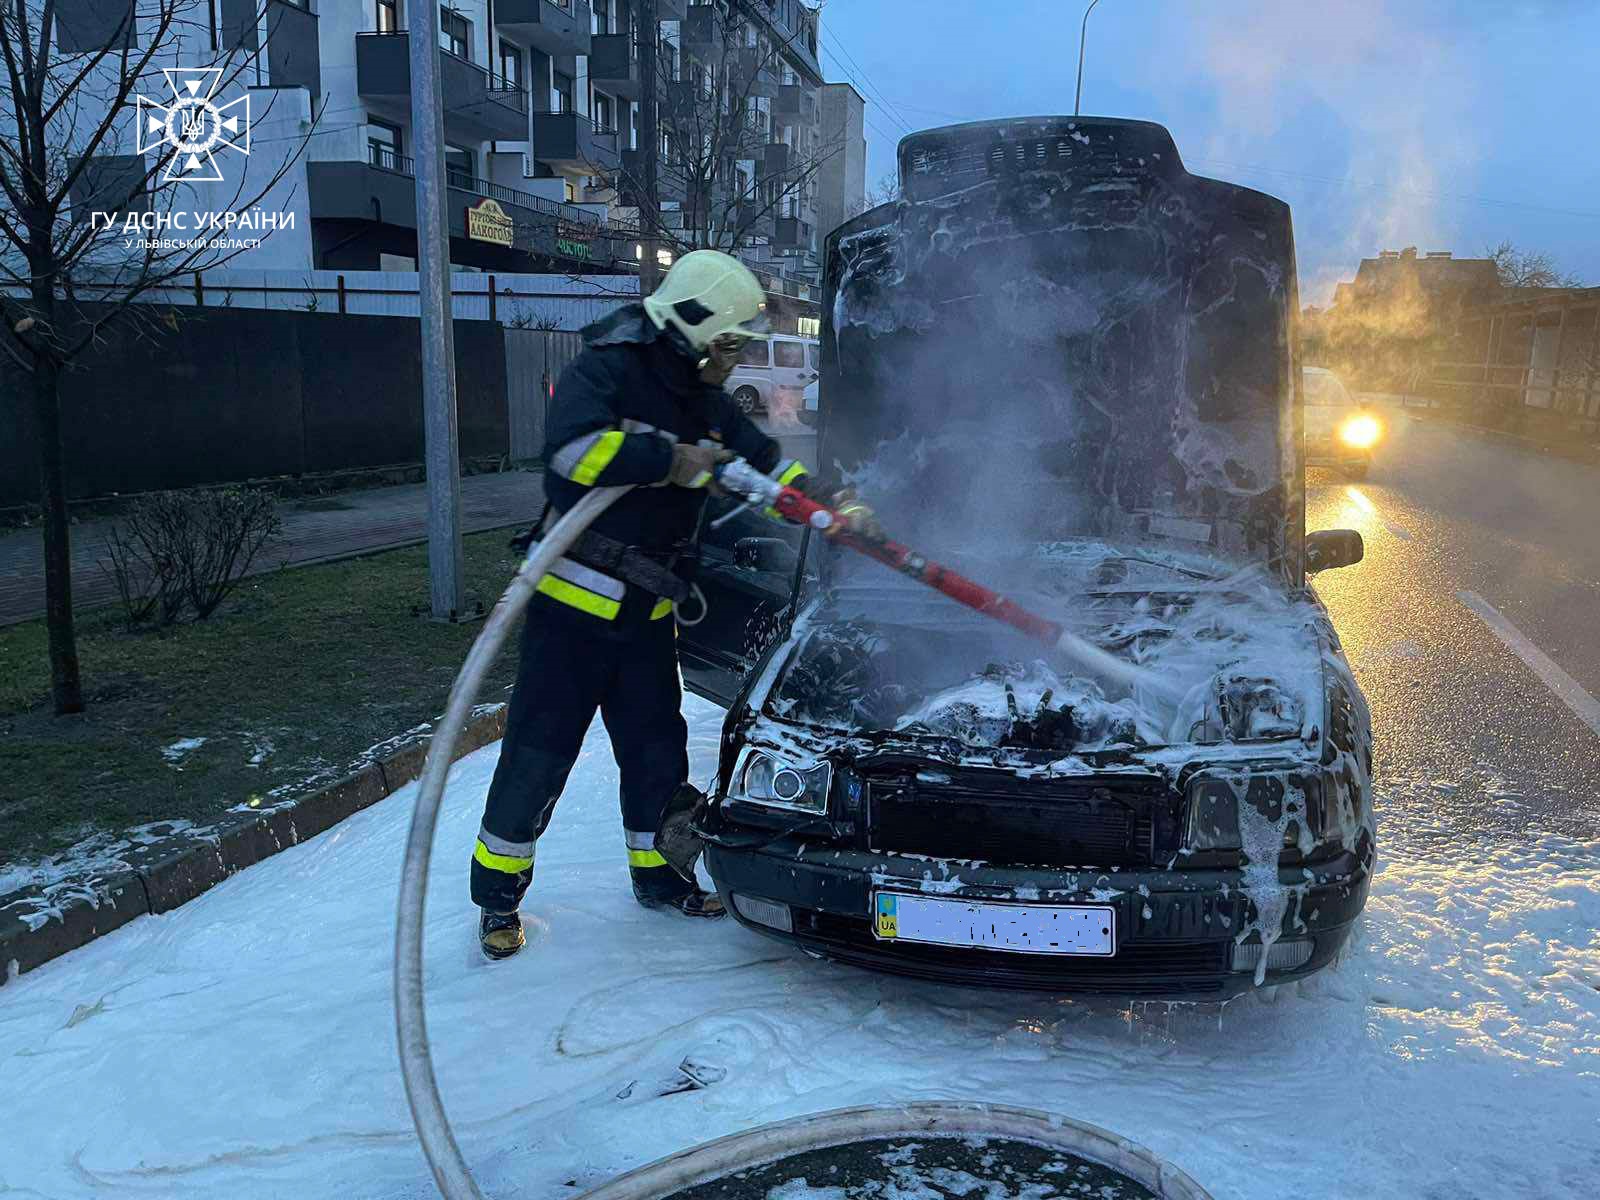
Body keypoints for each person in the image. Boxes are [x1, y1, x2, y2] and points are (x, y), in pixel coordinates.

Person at [472, 251, 858, 961]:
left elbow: (764, 461)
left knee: (656, 756)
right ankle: (498, 897)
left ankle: (660, 877)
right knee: (538, 756)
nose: (736, 358)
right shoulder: (608, 370)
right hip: (571, 614)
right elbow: (571, 454)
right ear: (696, 327)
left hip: (647, 618)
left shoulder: (701, 399)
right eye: (731, 342)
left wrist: (822, 500)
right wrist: (668, 460)